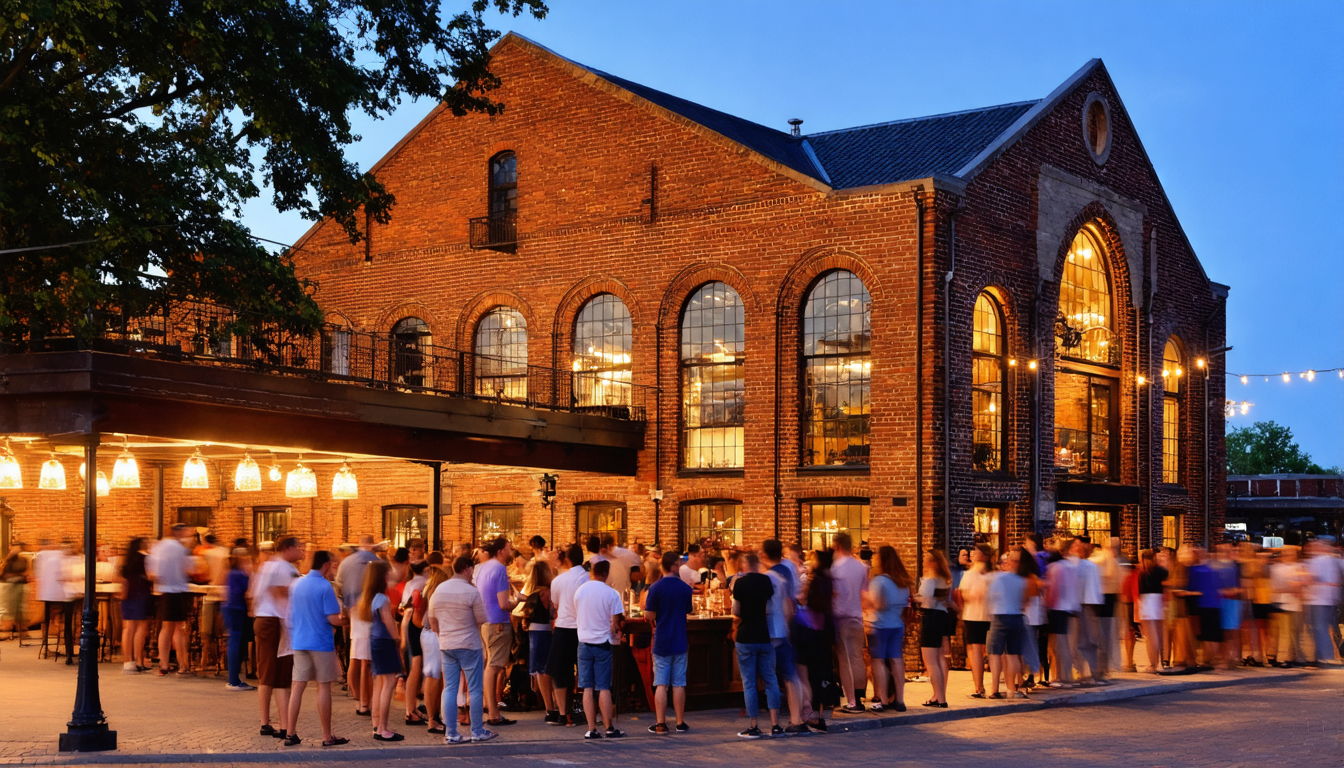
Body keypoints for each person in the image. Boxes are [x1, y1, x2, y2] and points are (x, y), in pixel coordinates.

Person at [427, 555, 496, 744]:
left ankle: (451, 732)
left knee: (449, 687)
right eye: (472, 570)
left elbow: (433, 622)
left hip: (446, 644)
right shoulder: (471, 591)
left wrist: (445, 634)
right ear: (466, 569)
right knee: (474, 689)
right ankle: (477, 730)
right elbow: (481, 619)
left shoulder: (439, 590)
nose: (473, 574)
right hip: (469, 644)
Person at [284, 550, 349, 747]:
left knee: (298, 686)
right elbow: (332, 619)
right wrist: (346, 618)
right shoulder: (324, 586)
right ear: (326, 564)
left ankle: (290, 733)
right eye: (333, 564)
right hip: (320, 642)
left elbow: (291, 614)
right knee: (323, 686)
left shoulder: (297, 584)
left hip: (299, 640)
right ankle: (327, 736)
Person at [253, 536, 302, 739]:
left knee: (267, 672)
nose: (302, 551)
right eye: (300, 547)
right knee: (280, 675)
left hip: (264, 618)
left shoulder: (267, 566)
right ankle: (283, 724)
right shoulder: (283, 568)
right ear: (289, 548)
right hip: (276, 621)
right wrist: (287, 624)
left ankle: (267, 722)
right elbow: (280, 594)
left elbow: (253, 594)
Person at [574, 559, 625, 739]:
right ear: (606, 574)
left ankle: (591, 729)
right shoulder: (611, 594)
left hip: (584, 642)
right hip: (603, 642)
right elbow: (615, 623)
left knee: (587, 687)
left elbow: (577, 614)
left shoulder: (580, 591)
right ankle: (609, 727)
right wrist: (617, 633)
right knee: (603, 687)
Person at [643, 550, 693, 734]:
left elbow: (649, 614)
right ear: (675, 566)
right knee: (679, 683)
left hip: (662, 638)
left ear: (662, 566)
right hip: (680, 638)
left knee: (661, 683)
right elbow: (687, 611)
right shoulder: (685, 588)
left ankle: (660, 723)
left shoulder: (655, 588)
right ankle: (680, 722)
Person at [731, 551, 780, 738]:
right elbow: (768, 609)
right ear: (757, 564)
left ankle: (753, 724)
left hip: (746, 636)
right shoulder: (766, 581)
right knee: (770, 680)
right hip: (763, 635)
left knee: (749, 682)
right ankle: (775, 724)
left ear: (744, 564)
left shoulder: (740, 583)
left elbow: (736, 611)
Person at [762, 539, 805, 733]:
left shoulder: (770, 576)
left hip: (772, 630)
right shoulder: (787, 569)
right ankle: (796, 718)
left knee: (773, 677)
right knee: (790, 676)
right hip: (785, 629)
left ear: (764, 554)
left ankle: (774, 721)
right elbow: (792, 601)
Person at [357, 559, 403, 741]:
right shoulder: (382, 599)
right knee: (389, 683)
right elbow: (388, 621)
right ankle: (383, 727)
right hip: (385, 641)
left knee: (380, 683)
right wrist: (398, 639)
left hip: (375, 640)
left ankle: (377, 724)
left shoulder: (370, 597)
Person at [475, 537, 517, 727]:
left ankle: (489, 706)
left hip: (485, 622)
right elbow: (503, 603)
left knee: (489, 665)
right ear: (501, 551)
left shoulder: (482, 567)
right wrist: (518, 601)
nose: (511, 551)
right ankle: (493, 712)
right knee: (494, 667)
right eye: (509, 548)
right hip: (498, 622)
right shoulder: (499, 569)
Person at [865, 545, 912, 712]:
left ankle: (883, 699)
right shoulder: (902, 581)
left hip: (880, 624)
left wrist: (865, 597)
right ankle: (899, 699)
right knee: (896, 659)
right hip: (897, 623)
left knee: (878, 661)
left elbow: (878, 604)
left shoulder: (879, 581)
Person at [336, 535, 378, 712]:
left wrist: (343, 610)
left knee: (354, 656)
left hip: (351, 611)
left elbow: (338, 587)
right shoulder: (374, 561)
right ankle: (365, 701)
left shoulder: (346, 563)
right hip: (368, 611)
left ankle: (357, 695)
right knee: (365, 660)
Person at [828, 532, 868, 713]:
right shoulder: (861, 567)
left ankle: (852, 701)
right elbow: (864, 593)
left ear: (837, 545)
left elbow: (832, 594)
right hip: (856, 616)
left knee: (845, 661)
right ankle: (860, 697)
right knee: (857, 658)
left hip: (840, 617)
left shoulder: (835, 568)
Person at [545, 543, 584, 727]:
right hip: (583, 628)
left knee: (560, 672)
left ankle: (562, 712)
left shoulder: (558, 580)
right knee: (583, 670)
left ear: (566, 559)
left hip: (563, 627)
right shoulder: (587, 579)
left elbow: (555, 604)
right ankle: (582, 709)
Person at [146, 524, 193, 676]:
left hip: (164, 591)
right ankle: (183, 665)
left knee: (165, 629)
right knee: (179, 629)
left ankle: (164, 665)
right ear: (179, 532)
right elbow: (189, 569)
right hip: (178, 590)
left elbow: (152, 572)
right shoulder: (181, 549)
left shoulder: (158, 547)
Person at [985, 548, 1031, 699]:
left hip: (1000, 617)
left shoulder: (998, 578)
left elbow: (990, 598)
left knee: (995, 653)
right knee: (1013, 654)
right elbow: (1025, 602)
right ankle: (1013, 688)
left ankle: (994, 689)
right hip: (1017, 617)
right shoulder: (1022, 580)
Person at [523, 561, 559, 724]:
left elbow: (525, 615)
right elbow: (552, 614)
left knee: (539, 668)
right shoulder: (547, 592)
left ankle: (548, 706)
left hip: (533, 632)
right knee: (547, 668)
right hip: (545, 631)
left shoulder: (531, 592)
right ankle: (553, 706)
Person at [957, 543, 993, 698]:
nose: (972, 553)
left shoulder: (970, 573)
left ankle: (979, 686)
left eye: (975, 551)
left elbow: (963, 594)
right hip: (991, 614)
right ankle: (1000, 685)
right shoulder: (993, 574)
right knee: (994, 651)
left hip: (973, 615)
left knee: (974, 651)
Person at [416, 565, 448, 734]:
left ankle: (434, 716)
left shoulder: (429, 592)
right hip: (433, 635)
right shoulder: (438, 595)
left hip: (428, 634)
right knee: (433, 675)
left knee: (435, 675)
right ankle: (432, 719)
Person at [918, 550, 951, 707]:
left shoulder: (930, 581)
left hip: (930, 617)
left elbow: (928, 601)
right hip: (941, 616)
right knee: (938, 659)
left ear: (933, 563)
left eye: (926, 560)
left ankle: (940, 698)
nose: (924, 562)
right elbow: (945, 601)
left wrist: (914, 596)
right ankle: (938, 695)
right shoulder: (945, 580)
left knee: (930, 661)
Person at [399, 560, 429, 727]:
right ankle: (411, 710)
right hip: (417, 625)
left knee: (415, 667)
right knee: (417, 667)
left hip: (411, 624)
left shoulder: (410, 583)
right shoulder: (425, 583)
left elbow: (405, 605)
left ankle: (411, 709)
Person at [1073, 538, 1106, 684]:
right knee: (1090, 640)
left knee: (1085, 640)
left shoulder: (1082, 566)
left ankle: (1088, 673)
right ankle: (1092, 672)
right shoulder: (1089, 566)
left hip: (1083, 605)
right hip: (1088, 605)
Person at [36, 540, 75, 663]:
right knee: (68, 624)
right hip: (66, 595)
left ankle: (49, 647)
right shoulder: (64, 561)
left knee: (63, 623)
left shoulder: (50, 560)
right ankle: (68, 652)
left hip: (55, 596)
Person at [118, 538, 152, 674]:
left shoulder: (126, 561)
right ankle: (139, 660)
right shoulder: (144, 558)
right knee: (141, 628)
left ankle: (128, 662)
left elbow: (118, 577)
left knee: (128, 628)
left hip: (128, 596)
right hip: (141, 594)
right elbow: (151, 576)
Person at [1304, 540, 1340, 666]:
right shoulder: (1332, 560)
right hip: (1328, 599)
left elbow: (1310, 577)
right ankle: (1324, 656)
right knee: (1323, 628)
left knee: (1319, 628)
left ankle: (1324, 657)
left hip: (1317, 599)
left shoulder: (1318, 560)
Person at [223, 547, 255, 691]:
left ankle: (235, 678)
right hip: (237, 610)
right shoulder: (239, 574)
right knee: (236, 643)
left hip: (232, 609)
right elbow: (246, 592)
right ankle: (233, 680)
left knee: (237, 642)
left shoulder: (233, 573)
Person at [1136, 549, 1168, 673]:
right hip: (1159, 600)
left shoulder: (1145, 573)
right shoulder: (1162, 571)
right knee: (1159, 634)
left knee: (1150, 635)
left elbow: (1141, 591)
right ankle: (1160, 662)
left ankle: (1152, 664)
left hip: (1148, 600)